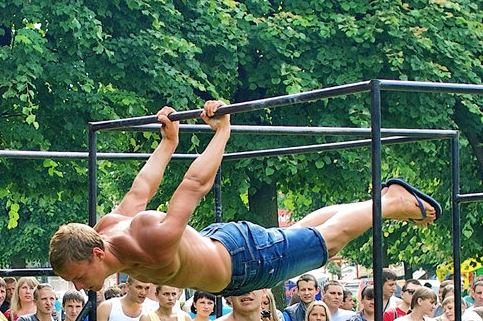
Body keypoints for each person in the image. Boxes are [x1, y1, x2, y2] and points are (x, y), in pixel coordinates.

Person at [49, 102, 440, 296]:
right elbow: (140, 190)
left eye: (79, 277)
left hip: (242, 262)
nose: (80, 287)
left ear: (96, 255)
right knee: (304, 231)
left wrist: (222, 132)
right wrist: (169, 141)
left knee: (328, 242)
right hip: (226, 252)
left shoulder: (147, 237)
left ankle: (391, 204)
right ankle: (385, 199)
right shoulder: (104, 229)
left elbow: (193, 186)